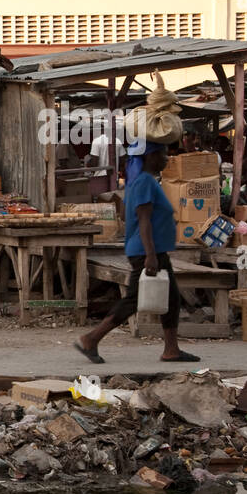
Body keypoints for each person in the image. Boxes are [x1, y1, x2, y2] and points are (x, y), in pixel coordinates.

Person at [75, 137, 199, 365]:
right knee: (134, 299)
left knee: (171, 300)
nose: (166, 158)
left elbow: (124, 215)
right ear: (149, 157)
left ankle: (171, 349)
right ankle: (91, 338)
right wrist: (150, 254)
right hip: (147, 251)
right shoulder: (144, 182)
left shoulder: (137, 182)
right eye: (162, 154)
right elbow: (144, 220)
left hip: (149, 249)